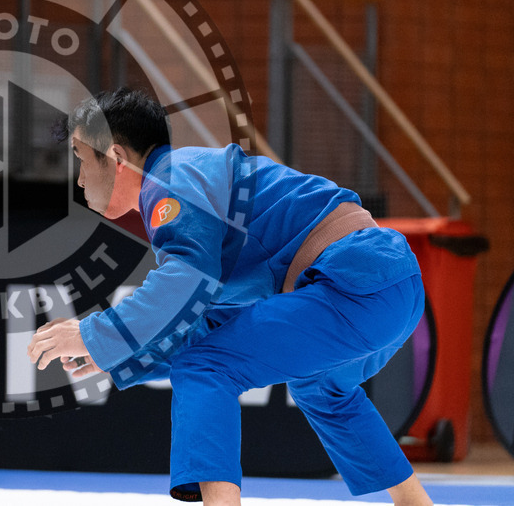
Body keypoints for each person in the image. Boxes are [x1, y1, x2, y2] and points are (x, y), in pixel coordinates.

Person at [28, 88, 434, 506]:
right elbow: (203, 321)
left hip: (351, 285)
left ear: (115, 157)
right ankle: (415, 503)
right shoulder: (190, 180)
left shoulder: (170, 183)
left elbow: (185, 280)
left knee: (204, 368)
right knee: (322, 388)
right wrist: (121, 352)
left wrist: (96, 333)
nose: (78, 179)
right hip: (391, 288)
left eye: (79, 157)